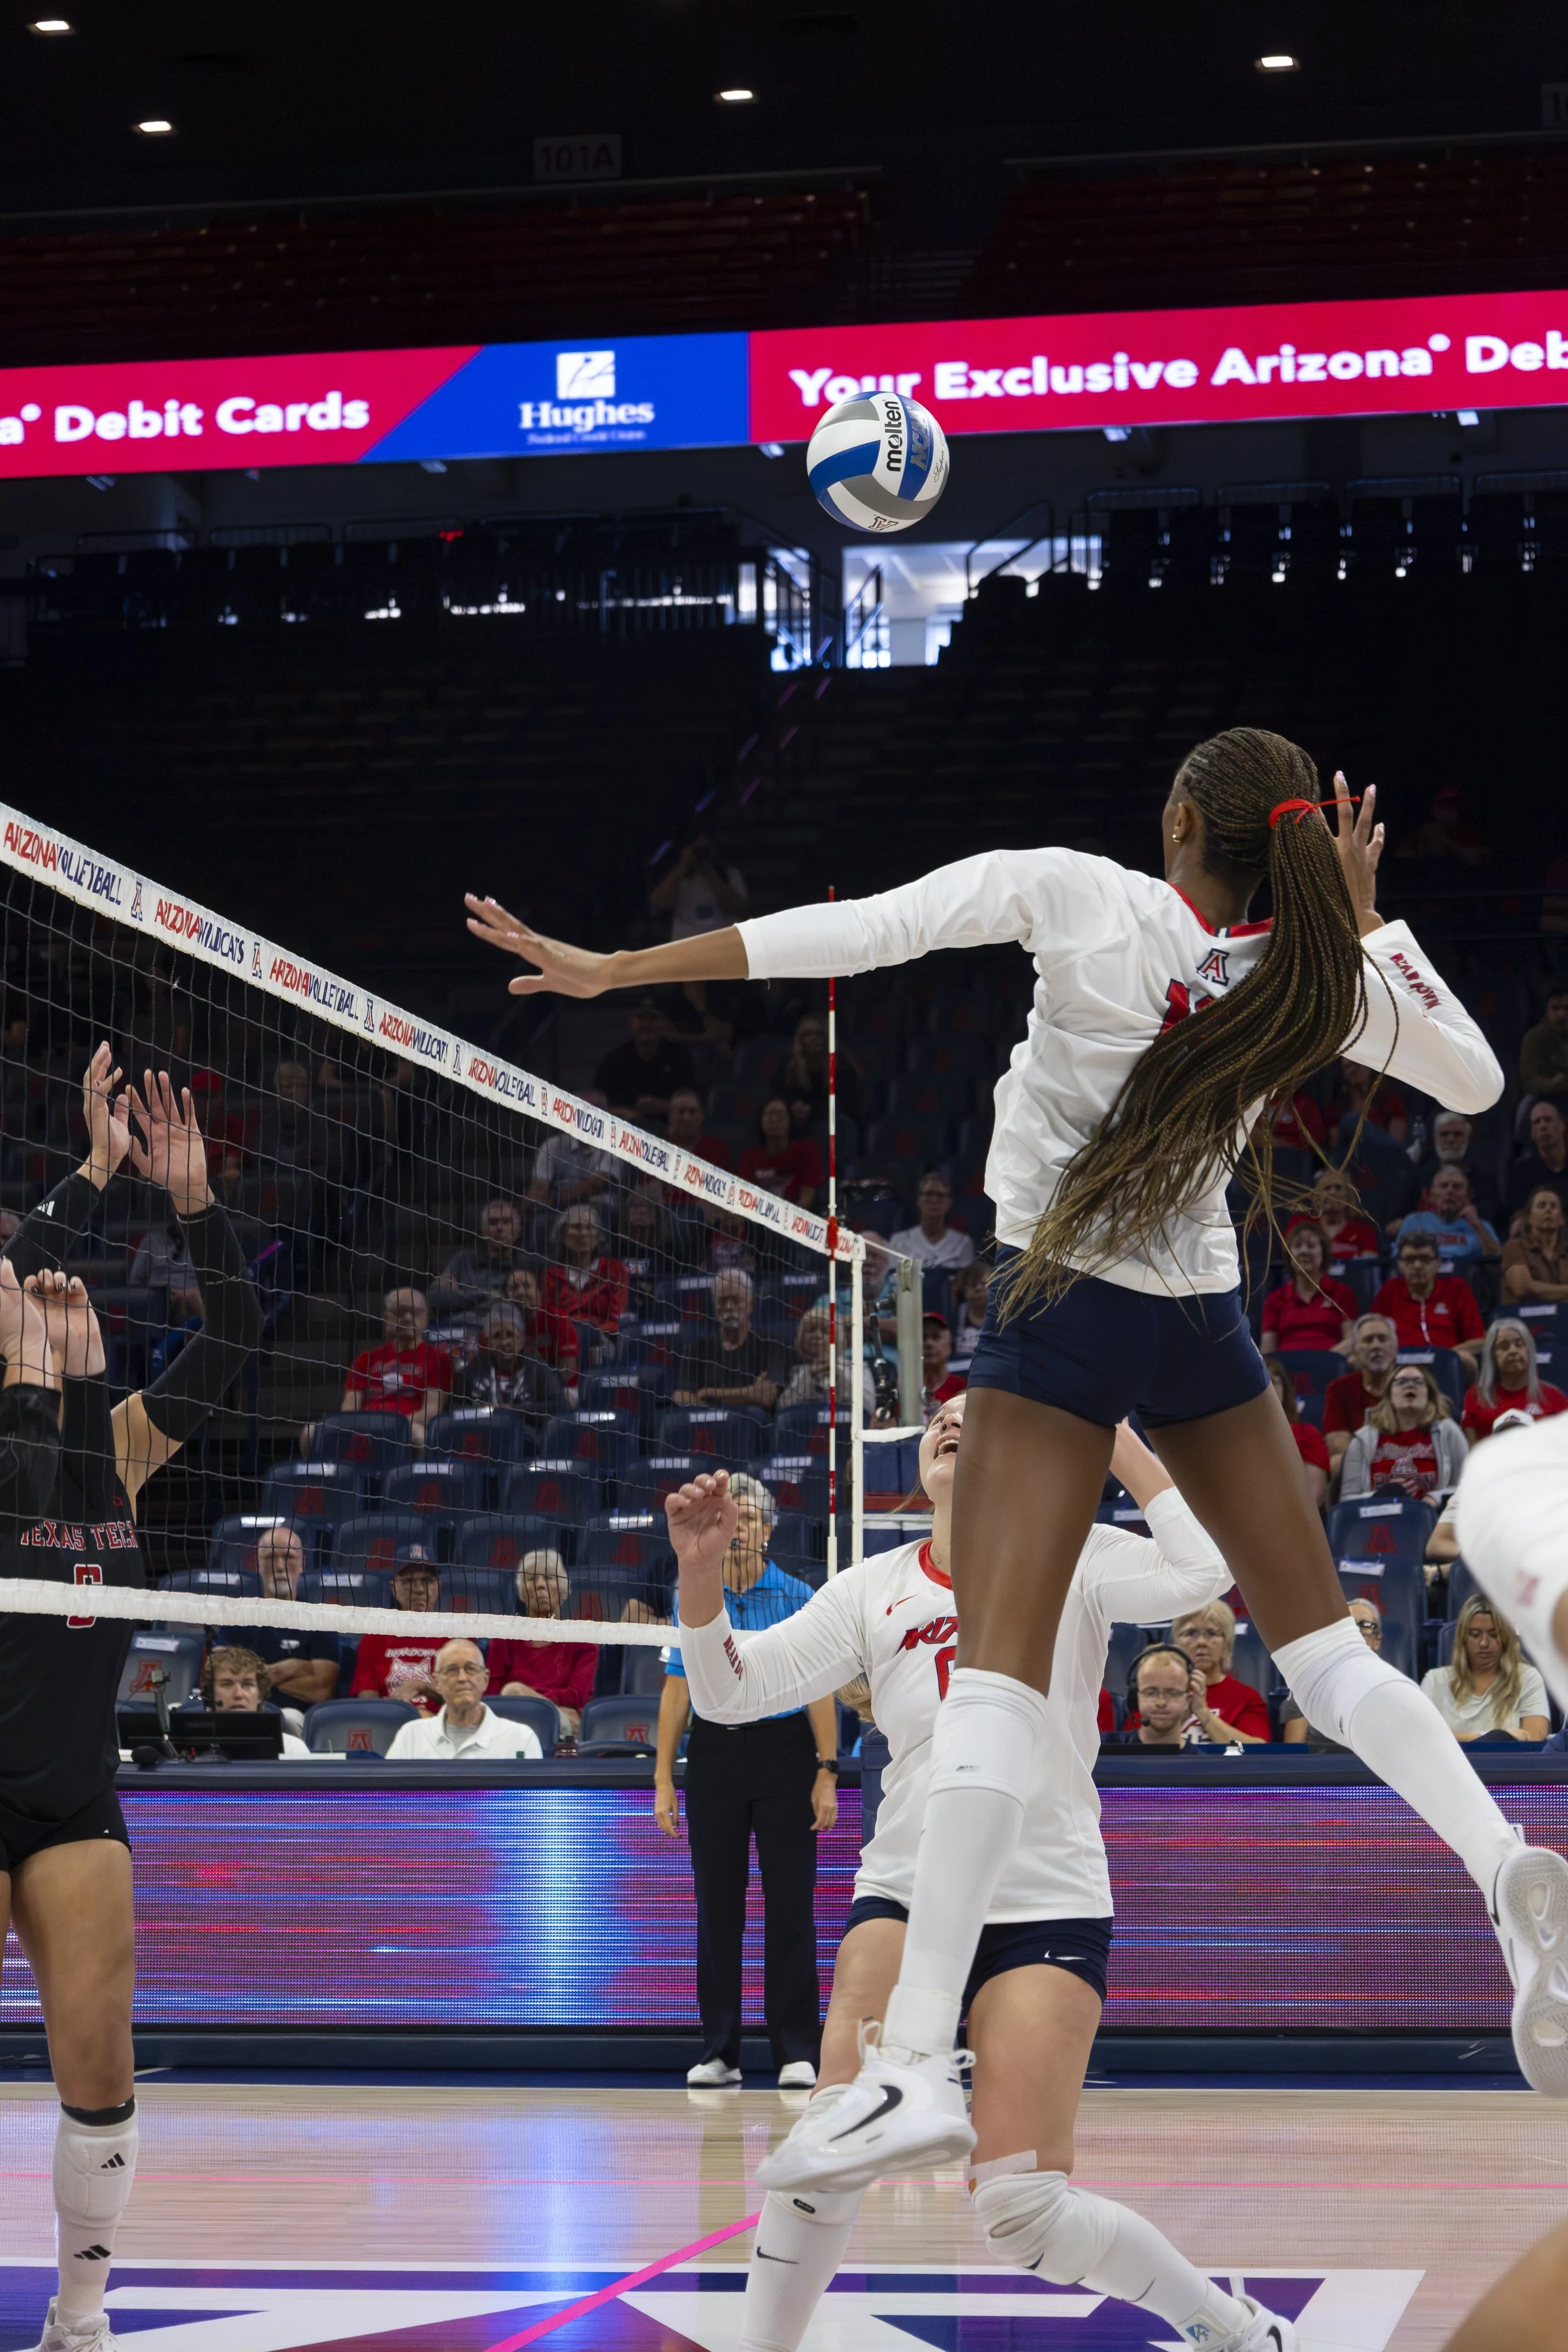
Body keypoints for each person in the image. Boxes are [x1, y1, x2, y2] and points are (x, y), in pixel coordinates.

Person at [468, 734, 1568, 2158]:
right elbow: (1478, 1081)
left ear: (1177, 818)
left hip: (1064, 1314)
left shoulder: (1079, 895)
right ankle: (1501, 1867)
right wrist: (1367, 925)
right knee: (1329, 1657)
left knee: (990, 1675)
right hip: (1202, 1326)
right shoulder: (1309, 974)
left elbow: (865, 932)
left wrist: (621, 971)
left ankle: (917, 2060)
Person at [667, 1404, 1298, 2352]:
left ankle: (1232, 2329)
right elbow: (726, 1693)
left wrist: (1115, 1435)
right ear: (921, 1467)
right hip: (909, 1887)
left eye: (979, 1415)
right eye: (939, 1422)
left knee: (1023, 2212)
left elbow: (1204, 1572)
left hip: (1045, 1893)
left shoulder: (1077, 1555)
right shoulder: (870, 1588)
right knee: (824, 2142)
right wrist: (700, 1578)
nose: (954, 1424)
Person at [3, 1048, 262, 2352]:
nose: (45, 1303)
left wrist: (185, 1199)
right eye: (28, 1304)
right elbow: (21, 1277)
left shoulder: (119, 1450)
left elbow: (236, 1341)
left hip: (67, 1796)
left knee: (99, 2071)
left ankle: (82, 2314)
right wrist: (90, 1175)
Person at [654, 1471, 838, 2091]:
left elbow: (819, 1689)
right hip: (713, 1755)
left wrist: (827, 1770)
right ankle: (720, 2052)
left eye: (756, 1521)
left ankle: (794, 2050)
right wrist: (662, 1778)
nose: (745, 1532)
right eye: (739, 1520)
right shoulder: (699, 1595)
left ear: (766, 1531)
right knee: (717, 1907)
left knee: (791, 1905)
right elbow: (677, 1688)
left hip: (786, 1753)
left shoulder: (795, 1595)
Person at [211, 1524, 338, 1711]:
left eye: (288, 1557)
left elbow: (321, 1690)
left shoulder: (320, 1619)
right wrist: (292, 1668)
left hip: (295, 1717)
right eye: (270, 1558)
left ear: (302, 1563)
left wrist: (253, 1677)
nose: (279, 1567)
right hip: (242, 1711)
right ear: (258, 1564)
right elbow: (227, 1682)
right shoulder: (238, 1616)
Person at [483, 1548, 596, 1739]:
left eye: (549, 1578)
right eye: (532, 1579)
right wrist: (552, 1709)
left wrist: (521, 1694)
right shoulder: (504, 1637)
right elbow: (493, 1697)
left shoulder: (582, 1640)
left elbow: (578, 1696)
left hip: (562, 1733)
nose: (541, 1585)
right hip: (511, 1724)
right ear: (522, 1591)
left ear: (562, 1587)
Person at [1420, 1595, 1550, 1744]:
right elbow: (1420, 1737)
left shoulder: (1527, 1678)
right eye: (1475, 1635)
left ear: (1506, 1637)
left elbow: (1534, 1740)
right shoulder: (1435, 1681)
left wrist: (1458, 1739)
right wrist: (1494, 1737)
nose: (1484, 1643)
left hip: (1508, 1766)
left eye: (1494, 1635)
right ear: (1462, 1638)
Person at [385, 1639, 544, 1759]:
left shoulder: (521, 1738)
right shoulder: (411, 1735)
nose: (462, 1678)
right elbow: (388, 1800)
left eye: (471, 1669)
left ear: (486, 1679)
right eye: (452, 1670)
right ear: (436, 1682)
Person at [335, 1287, 451, 1449]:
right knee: (311, 1433)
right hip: (364, 1428)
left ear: (426, 1318)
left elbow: (432, 1409)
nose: (408, 1318)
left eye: (416, 1312)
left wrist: (392, 1426)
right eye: (400, 1312)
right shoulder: (365, 1360)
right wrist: (362, 1427)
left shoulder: (439, 1359)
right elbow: (350, 1405)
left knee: (419, 1436)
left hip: (407, 1426)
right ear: (387, 1318)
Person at [1340, 1362, 1467, 1500]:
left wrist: (1435, 1498)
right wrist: (1379, 1497)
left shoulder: (1448, 1432)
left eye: (1418, 1382)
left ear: (1429, 1395)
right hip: (1377, 1519)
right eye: (1402, 1382)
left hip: (1435, 1518)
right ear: (1390, 1395)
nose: (1410, 1385)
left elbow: (1468, 1488)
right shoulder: (1364, 1438)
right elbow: (1347, 1499)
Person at [1372, 1232, 1486, 1373]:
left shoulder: (1457, 1289)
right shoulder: (1389, 1290)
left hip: (1444, 1367)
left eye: (1425, 1259)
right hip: (1398, 1366)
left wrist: (1443, 1356)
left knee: (1467, 1360)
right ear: (1400, 1265)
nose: (1418, 1266)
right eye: (1410, 1260)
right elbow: (1372, 1333)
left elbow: (1479, 1341)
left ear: (1438, 1263)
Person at [348, 1553, 448, 1707]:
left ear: (439, 1587)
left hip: (441, 1723)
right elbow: (367, 1702)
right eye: (409, 1581)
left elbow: (463, 1700)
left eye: (427, 1581)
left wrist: (422, 1687)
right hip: (390, 1722)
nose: (419, 1589)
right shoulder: (374, 1638)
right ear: (394, 1589)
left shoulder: (458, 1636)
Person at [1281, 1599, 1384, 1748]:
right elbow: (1293, 1758)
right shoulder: (1306, 1688)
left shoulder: (1394, 1691)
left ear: (1377, 1641)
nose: (1355, 1632)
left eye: (1366, 1626)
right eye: (1347, 1625)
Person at [673, 1269, 782, 1409]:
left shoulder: (771, 1345)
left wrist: (708, 1393)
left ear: (750, 1305)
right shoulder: (696, 1349)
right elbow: (680, 1397)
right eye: (722, 1301)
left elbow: (766, 1396)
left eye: (736, 1300)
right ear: (715, 1309)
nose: (729, 1307)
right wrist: (749, 1393)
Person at [448, 1301, 564, 1431]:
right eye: (497, 1336)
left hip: (527, 1441)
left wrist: (516, 1410)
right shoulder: (475, 1367)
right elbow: (456, 1407)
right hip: (482, 1437)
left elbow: (559, 1406)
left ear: (521, 1339)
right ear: (488, 1341)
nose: (504, 1342)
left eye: (510, 1335)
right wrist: (487, 1411)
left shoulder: (537, 1367)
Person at [1168, 1599, 1271, 1741]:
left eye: (1211, 1633)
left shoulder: (1246, 1698)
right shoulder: (1157, 1693)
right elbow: (1135, 1746)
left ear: (1227, 1644)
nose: (1201, 1642)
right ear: (1177, 1644)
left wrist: (1204, 1714)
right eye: (1191, 1633)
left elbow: (1258, 1751)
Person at [184, 1646, 310, 1756]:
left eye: (247, 1685)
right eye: (227, 1685)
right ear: (210, 1695)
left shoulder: (291, 1749)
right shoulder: (187, 1749)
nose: (239, 1694)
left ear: (260, 1695)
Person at [1258, 1220, 1356, 1355]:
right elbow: (1268, 1352)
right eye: (1297, 1246)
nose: (1304, 1251)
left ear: (1324, 1253)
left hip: (1331, 1369)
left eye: (1311, 1246)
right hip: (1288, 1372)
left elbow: (1351, 1341)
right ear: (1289, 1255)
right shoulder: (1274, 1300)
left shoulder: (1342, 1293)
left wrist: (1322, 1361)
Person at [1462, 1319, 1568, 1444]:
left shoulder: (1555, 1397)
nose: (1513, 1351)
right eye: (1504, 1346)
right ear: (1493, 1356)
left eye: (1519, 1344)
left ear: (1529, 1351)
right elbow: (1472, 1453)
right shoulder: (1477, 1396)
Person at [594, 997, 696, 1123]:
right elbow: (598, 1103)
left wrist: (665, 1107)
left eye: (653, 1019)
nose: (646, 1024)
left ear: (664, 1023)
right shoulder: (615, 1060)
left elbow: (694, 1101)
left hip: (671, 1130)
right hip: (625, 1131)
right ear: (631, 1022)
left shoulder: (679, 1057)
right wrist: (624, 1112)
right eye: (641, 1019)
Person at [1322, 1312, 1400, 1469]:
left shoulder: (1413, 1384)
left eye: (1383, 1339)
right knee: (1336, 1462)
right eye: (1368, 1340)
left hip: (1409, 1461)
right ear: (1356, 1351)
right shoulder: (1339, 1389)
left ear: (1395, 1348)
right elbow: (1337, 1443)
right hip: (1362, 1465)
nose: (1376, 1346)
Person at [1393, 1164, 1501, 1273]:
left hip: (1465, 1281)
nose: (1450, 1191)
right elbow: (1397, 1256)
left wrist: (1477, 1226)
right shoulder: (1414, 1221)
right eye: (1444, 1186)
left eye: (1457, 1187)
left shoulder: (1481, 1225)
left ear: (1468, 1195)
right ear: (1431, 1196)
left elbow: (1495, 1262)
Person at [541, 1203, 627, 1335]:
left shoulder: (615, 1270)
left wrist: (590, 1333)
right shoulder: (551, 1275)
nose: (583, 1234)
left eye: (590, 1227)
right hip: (564, 1339)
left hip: (603, 1338)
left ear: (599, 1235)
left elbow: (616, 1316)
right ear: (563, 1234)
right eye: (576, 1227)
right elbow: (550, 1317)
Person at [1103, 1644, 1210, 1750]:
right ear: (1136, 1697)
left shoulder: (1202, 1764)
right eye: (1151, 1692)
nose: (1161, 1702)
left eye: (1172, 1693)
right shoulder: (1101, 1751)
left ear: (1188, 1700)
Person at [1409, 1109, 1500, 1228]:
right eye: (1444, 1134)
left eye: (1457, 1135)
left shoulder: (1483, 1182)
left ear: (1467, 1138)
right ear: (1435, 1138)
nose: (1451, 1139)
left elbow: (1489, 1218)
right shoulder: (1419, 1177)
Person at [649, 833, 749, 941]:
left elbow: (741, 910)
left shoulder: (730, 875)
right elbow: (658, 902)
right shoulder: (678, 878)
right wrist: (683, 865)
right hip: (685, 946)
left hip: (720, 945)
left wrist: (709, 871)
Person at [527, 1090, 618, 1207]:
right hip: (556, 1209)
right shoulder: (553, 1145)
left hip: (598, 1209)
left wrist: (553, 1202)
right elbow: (538, 1187)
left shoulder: (615, 1146)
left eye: (595, 1110)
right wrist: (536, 1203)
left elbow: (594, 1185)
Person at [780, 1009, 862, 1133]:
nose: (813, 1038)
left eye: (819, 1034)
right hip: (797, 1125)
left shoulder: (843, 1064)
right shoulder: (790, 1065)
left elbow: (847, 1103)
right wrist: (792, 1109)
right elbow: (779, 1095)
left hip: (832, 1124)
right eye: (808, 1034)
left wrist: (812, 1111)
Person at [1284, 1168, 1382, 1271]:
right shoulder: (1300, 1224)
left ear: (1349, 1196)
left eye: (1338, 1188)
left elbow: (1369, 1269)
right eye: (1327, 1188)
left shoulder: (1364, 1231)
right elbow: (1288, 1257)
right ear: (1317, 1197)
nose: (1332, 1193)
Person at [500, 1264, 581, 1389]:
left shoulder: (558, 1318)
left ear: (541, 1293)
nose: (521, 1292)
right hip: (512, 1389)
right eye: (514, 1288)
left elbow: (567, 1371)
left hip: (560, 1389)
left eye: (527, 1286)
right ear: (506, 1297)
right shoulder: (498, 1323)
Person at [1266, 1357, 1330, 1507]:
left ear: (1285, 1390)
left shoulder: (1307, 1434)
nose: (1267, 1389)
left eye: (1273, 1382)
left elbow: (1315, 1492)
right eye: (1261, 1382)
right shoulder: (1238, 1440)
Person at [738, 1097, 823, 1208]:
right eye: (770, 1115)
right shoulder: (749, 1156)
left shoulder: (807, 1150)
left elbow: (807, 1197)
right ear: (761, 1122)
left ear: (790, 1120)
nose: (775, 1119)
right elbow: (746, 1196)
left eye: (781, 1115)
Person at [437, 1199, 526, 1305]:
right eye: (493, 1222)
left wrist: (463, 1295)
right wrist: (486, 1296)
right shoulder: (463, 1261)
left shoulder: (528, 1265)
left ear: (518, 1229)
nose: (500, 1228)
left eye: (507, 1222)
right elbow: (437, 1297)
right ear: (483, 1230)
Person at [888, 1169, 975, 1271]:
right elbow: (893, 1280)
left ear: (949, 1203)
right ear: (919, 1200)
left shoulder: (963, 1243)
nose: (934, 1200)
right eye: (929, 1194)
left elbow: (965, 1283)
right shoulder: (899, 1241)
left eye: (941, 1195)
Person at [1501, 1184, 1568, 1307]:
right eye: (1541, 1206)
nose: (1548, 1210)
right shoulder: (1514, 1247)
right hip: (1524, 1319)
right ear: (1530, 1218)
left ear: (1562, 1219)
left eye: (1554, 1206)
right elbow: (1523, 1288)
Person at [1508, 1098, 1568, 1220]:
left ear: (1563, 1126)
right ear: (1532, 1133)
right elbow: (1519, 1214)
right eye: (1537, 1122)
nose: (1543, 1126)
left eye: (1548, 1120)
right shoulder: (1522, 1173)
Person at [1518, 980, 1568, 1105]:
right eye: (1555, 1009)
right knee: (1526, 1106)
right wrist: (1551, 1084)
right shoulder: (1534, 1038)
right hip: (1546, 1100)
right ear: (1547, 1010)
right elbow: (1529, 1080)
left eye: (1567, 1008)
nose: (1562, 1014)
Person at [665, 1085, 733, 1171]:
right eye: (681, 1112)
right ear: (670, 1116)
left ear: (701, 1117)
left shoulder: (719, 1151)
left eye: (693, 1112)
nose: (686, 1118)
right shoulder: (656, 1146)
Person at [921, 1307, 965, 1414]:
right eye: (923, 1338)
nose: (929, 1344)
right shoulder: (901, 1390)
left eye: (936, 1337)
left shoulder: (961, 1389)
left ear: (950, 1346)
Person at [951, 1258, 990, 1360]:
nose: (978, 1289)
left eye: (984, 1284)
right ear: (964, 1288)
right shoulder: (954, 1316)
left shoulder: (1000, 1316)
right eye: (973, 1285)